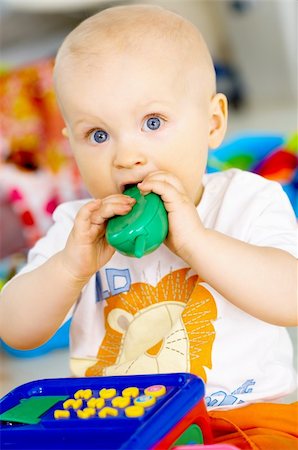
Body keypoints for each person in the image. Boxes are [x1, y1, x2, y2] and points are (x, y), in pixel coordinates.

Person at [0, 4, 297, 448]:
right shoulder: (76, 229)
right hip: (120, 426)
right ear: (72, 144)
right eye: (98, 135)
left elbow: (289, 297)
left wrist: (197, 242)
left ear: (213, 123)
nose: (126, 156)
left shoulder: (248, 199)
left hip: (243, 418)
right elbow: (15, 329)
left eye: (152, 123)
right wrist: (69, 269)